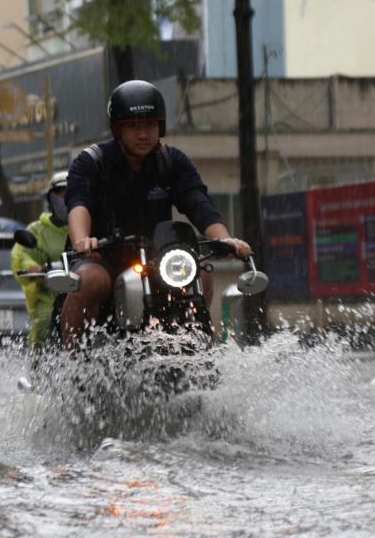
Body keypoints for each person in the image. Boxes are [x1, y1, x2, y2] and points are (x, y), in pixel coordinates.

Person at [61, 79, 251, 347]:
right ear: (118, 128)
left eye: (150, 124)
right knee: (88, 281)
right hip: (104, 259)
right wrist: (82, 240)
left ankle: (195, 346)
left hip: (160, 260)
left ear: (160, 126)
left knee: (199, 272)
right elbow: (79, 203)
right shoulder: (93, 162)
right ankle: (71, 366)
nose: (143, 134)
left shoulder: (172, 162)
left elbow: (199, 204)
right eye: (134, 126)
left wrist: (226, 240)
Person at [11, 171, 70, 356]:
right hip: (49, 296)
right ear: (51, 199)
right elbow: (22, 256)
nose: (67, 199)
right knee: (45, 321)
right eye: (62, 194)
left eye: (72, 193)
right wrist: (32, 267)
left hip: (85, 291)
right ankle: (37, 372)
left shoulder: (88, 226)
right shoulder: (36, 230)